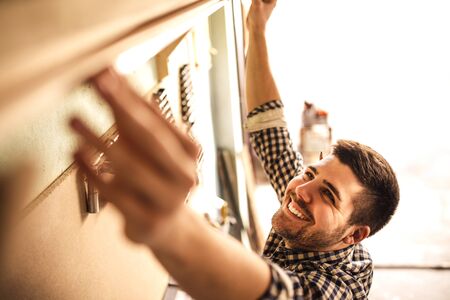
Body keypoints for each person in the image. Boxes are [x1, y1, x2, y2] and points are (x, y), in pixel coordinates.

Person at [71, 0, 399, 299]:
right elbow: (270, 129)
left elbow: (275, 294)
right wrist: (256, 25)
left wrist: (173, 224)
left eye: (328, 195)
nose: (301, 190)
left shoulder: (341, 287)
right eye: (310, 173)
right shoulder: (314, 213)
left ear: (355, 235)